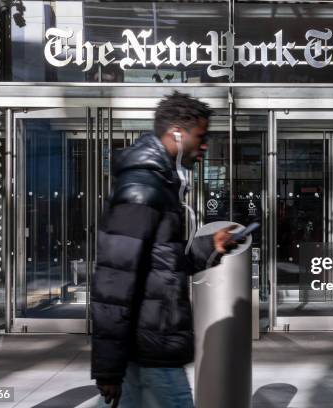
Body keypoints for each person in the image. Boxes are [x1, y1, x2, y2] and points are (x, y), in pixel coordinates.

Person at [91, 91, 236, 408]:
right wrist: (108, 368)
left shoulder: (160, 184)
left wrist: (209, 247)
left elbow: (159, 265)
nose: (205, 145)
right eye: (201, 135)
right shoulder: (142, 189)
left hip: (151, 344)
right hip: (151, 348)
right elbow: (114, 281)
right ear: (177, 133)